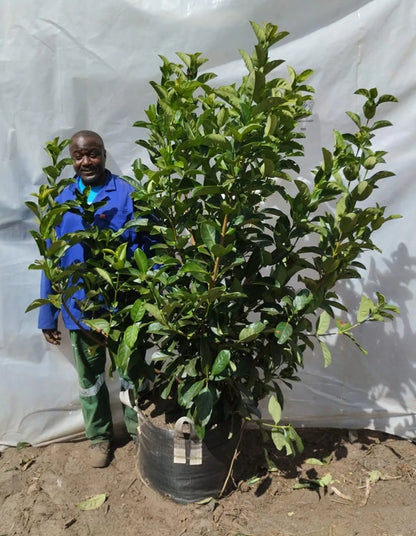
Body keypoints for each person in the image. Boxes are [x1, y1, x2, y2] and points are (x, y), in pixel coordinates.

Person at [38, 130, 155, 468]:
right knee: (90, 380)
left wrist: (153, 298)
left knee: (132, 373)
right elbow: (51, 261)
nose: (86, 161)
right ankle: (99, 437)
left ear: (104, 154)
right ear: (71, 159)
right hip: (81, 312)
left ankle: (138, 432)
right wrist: (48, 316)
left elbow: (153, 247)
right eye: (79, 156)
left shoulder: (128, 194)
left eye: (93, 154)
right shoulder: (62, 201)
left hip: (124, 308)